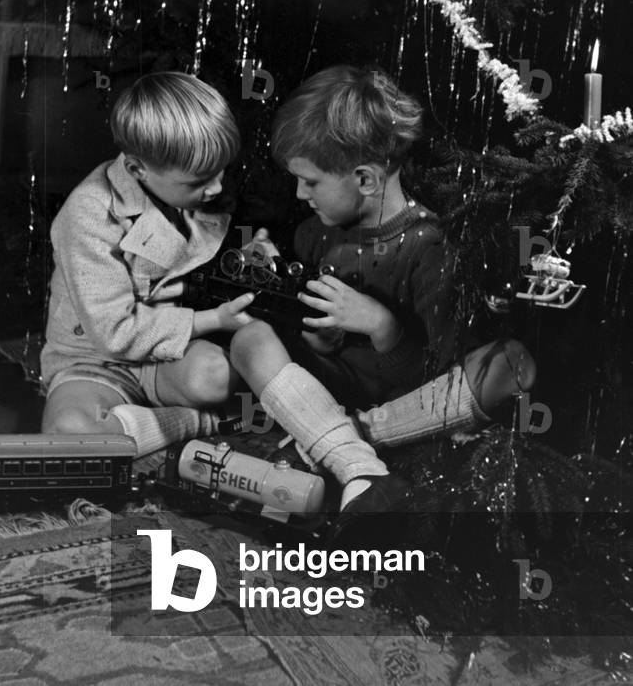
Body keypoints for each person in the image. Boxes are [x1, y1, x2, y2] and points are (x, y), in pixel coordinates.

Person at [230, 66, 536, 514]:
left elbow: (439, 373)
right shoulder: (313, 235)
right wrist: (301, 313)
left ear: (366, 180)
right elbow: (316, 344)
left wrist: (383, 327)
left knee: (512, 363)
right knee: (248, 339)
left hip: (403, 405)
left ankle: (345, 437)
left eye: (310, 181)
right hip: (329, 390)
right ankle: (346, 448)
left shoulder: (430, 246)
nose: (298, 193)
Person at [40, 71, 257, 458]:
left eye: (220, 172)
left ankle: (133, 425)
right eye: (199, 181)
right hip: (97, 360)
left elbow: (200, 264)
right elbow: (114, 332)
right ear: (138, 169)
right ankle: (197, 423)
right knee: (69, 433)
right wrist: (214, 320)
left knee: (217, 376)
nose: (216, 189)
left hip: (162, 357)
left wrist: (249, 256)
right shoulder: (88, 213)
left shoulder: (192, 184)